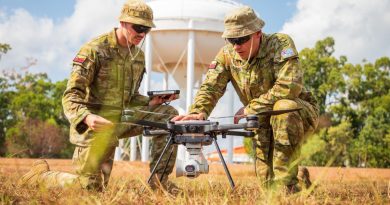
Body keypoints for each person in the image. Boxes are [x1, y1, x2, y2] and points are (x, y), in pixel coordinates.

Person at [19, 0, 178, 192]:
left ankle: (159, 183)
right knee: (90, 190)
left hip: (121, 119)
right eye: (138, 27)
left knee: (169, 115)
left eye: (147, 29)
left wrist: (150, 102)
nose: (142, 34)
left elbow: (130, 97)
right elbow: (71, 95)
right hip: (94, 125)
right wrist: (87, 117)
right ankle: (42, 177)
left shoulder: (138, 56)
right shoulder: (94, 50)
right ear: (123, 23)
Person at [172, 6, 319, 193]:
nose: (236, 46)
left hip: (298, 113)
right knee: (267, 186)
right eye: (231, 40)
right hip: (261, 119)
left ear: (257, 33)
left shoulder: (280, 44)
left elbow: (289, 86)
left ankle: (289, 188)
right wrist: (197, 112)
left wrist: (252, 108)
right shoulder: (227, 55)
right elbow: (210, 87)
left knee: (283, 107)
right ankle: (298, 176)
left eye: (241, 39)